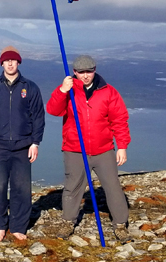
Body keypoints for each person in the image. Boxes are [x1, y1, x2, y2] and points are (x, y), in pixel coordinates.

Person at [46, 54, 132, 243]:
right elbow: (53, 110)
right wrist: (62, 90)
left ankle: (120, 225)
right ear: (75, 72)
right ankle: (68, 222)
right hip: (75, 149)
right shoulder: (69, 90)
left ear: (95, 70)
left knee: (113, 187)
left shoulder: (108, 92)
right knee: (72, 187)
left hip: (103, 150)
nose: (85, 76)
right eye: (81, 72)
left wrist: (122, 146)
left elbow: (119, 120)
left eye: (89, 71)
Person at [0, 46, 45, 242]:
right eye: (6, 61)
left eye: (13, 60)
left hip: (23, 146)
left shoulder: (30, 87)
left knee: (21, 188)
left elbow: (38, 117)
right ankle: (1, 225)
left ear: (18, 63)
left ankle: (18, 226)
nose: (10, 63)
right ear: (2, 63)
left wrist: (35, 142)